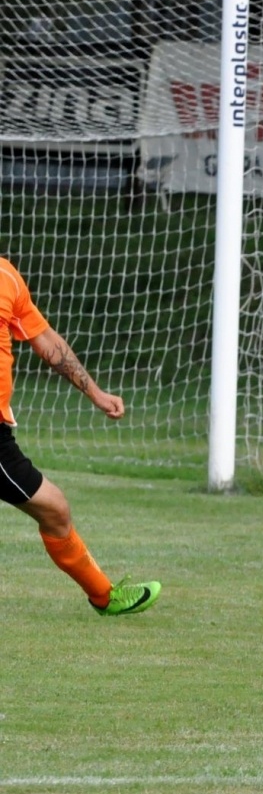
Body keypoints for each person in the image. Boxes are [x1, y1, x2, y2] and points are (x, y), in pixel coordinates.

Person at [1, 258, 160, 615]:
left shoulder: (6, 275)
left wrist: (97, 394)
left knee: (56, 511)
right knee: (55, 509)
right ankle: (105, 597)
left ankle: (104, 597)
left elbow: (44, 339)